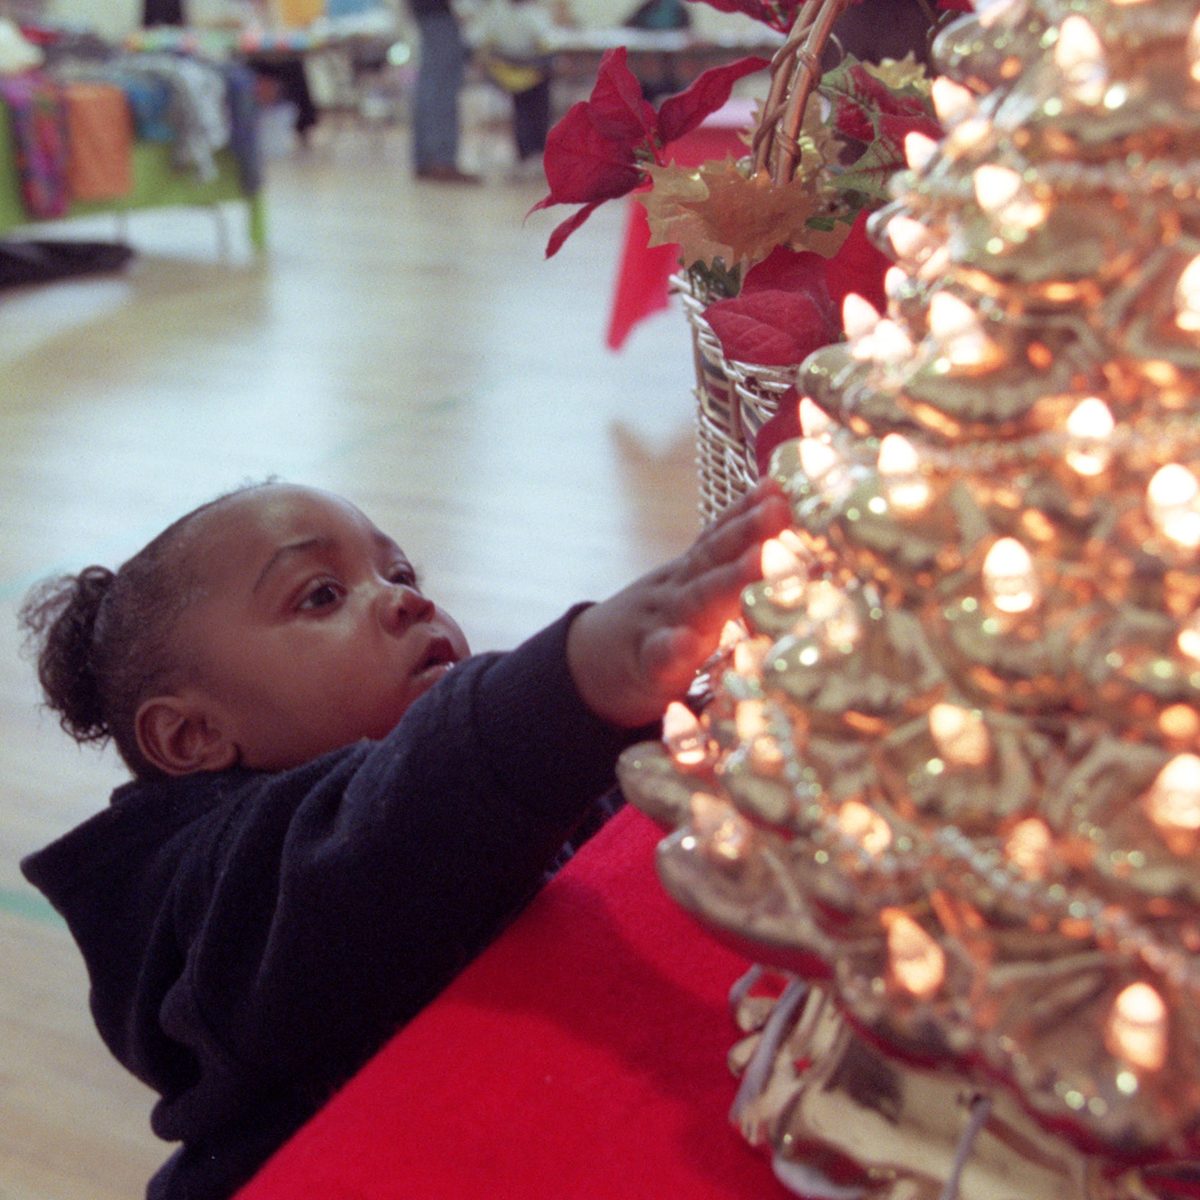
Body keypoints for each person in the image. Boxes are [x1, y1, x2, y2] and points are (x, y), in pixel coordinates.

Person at [18, 478, 789, 1200]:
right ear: (193, 735)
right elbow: (380, 838)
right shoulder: (211, 893)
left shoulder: (476, 791)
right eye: (321, 595)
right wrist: (577, 677)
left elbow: (588, 806)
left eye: (400, 572)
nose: (405, 599)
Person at [469, 0, 555, 174]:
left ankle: (526, 153)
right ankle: (536, 151)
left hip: (506, 72)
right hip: (526, 72)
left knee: (523, 102)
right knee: (537, 97)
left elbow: (478, 41)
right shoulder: (534, 14)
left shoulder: (493, 12)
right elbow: (547, 42)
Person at [406, 0, 480, 182]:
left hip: (427, 10)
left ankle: (426, 158)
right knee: (442, 88)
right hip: (441, 11)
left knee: (431, 84)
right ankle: (442, 160)